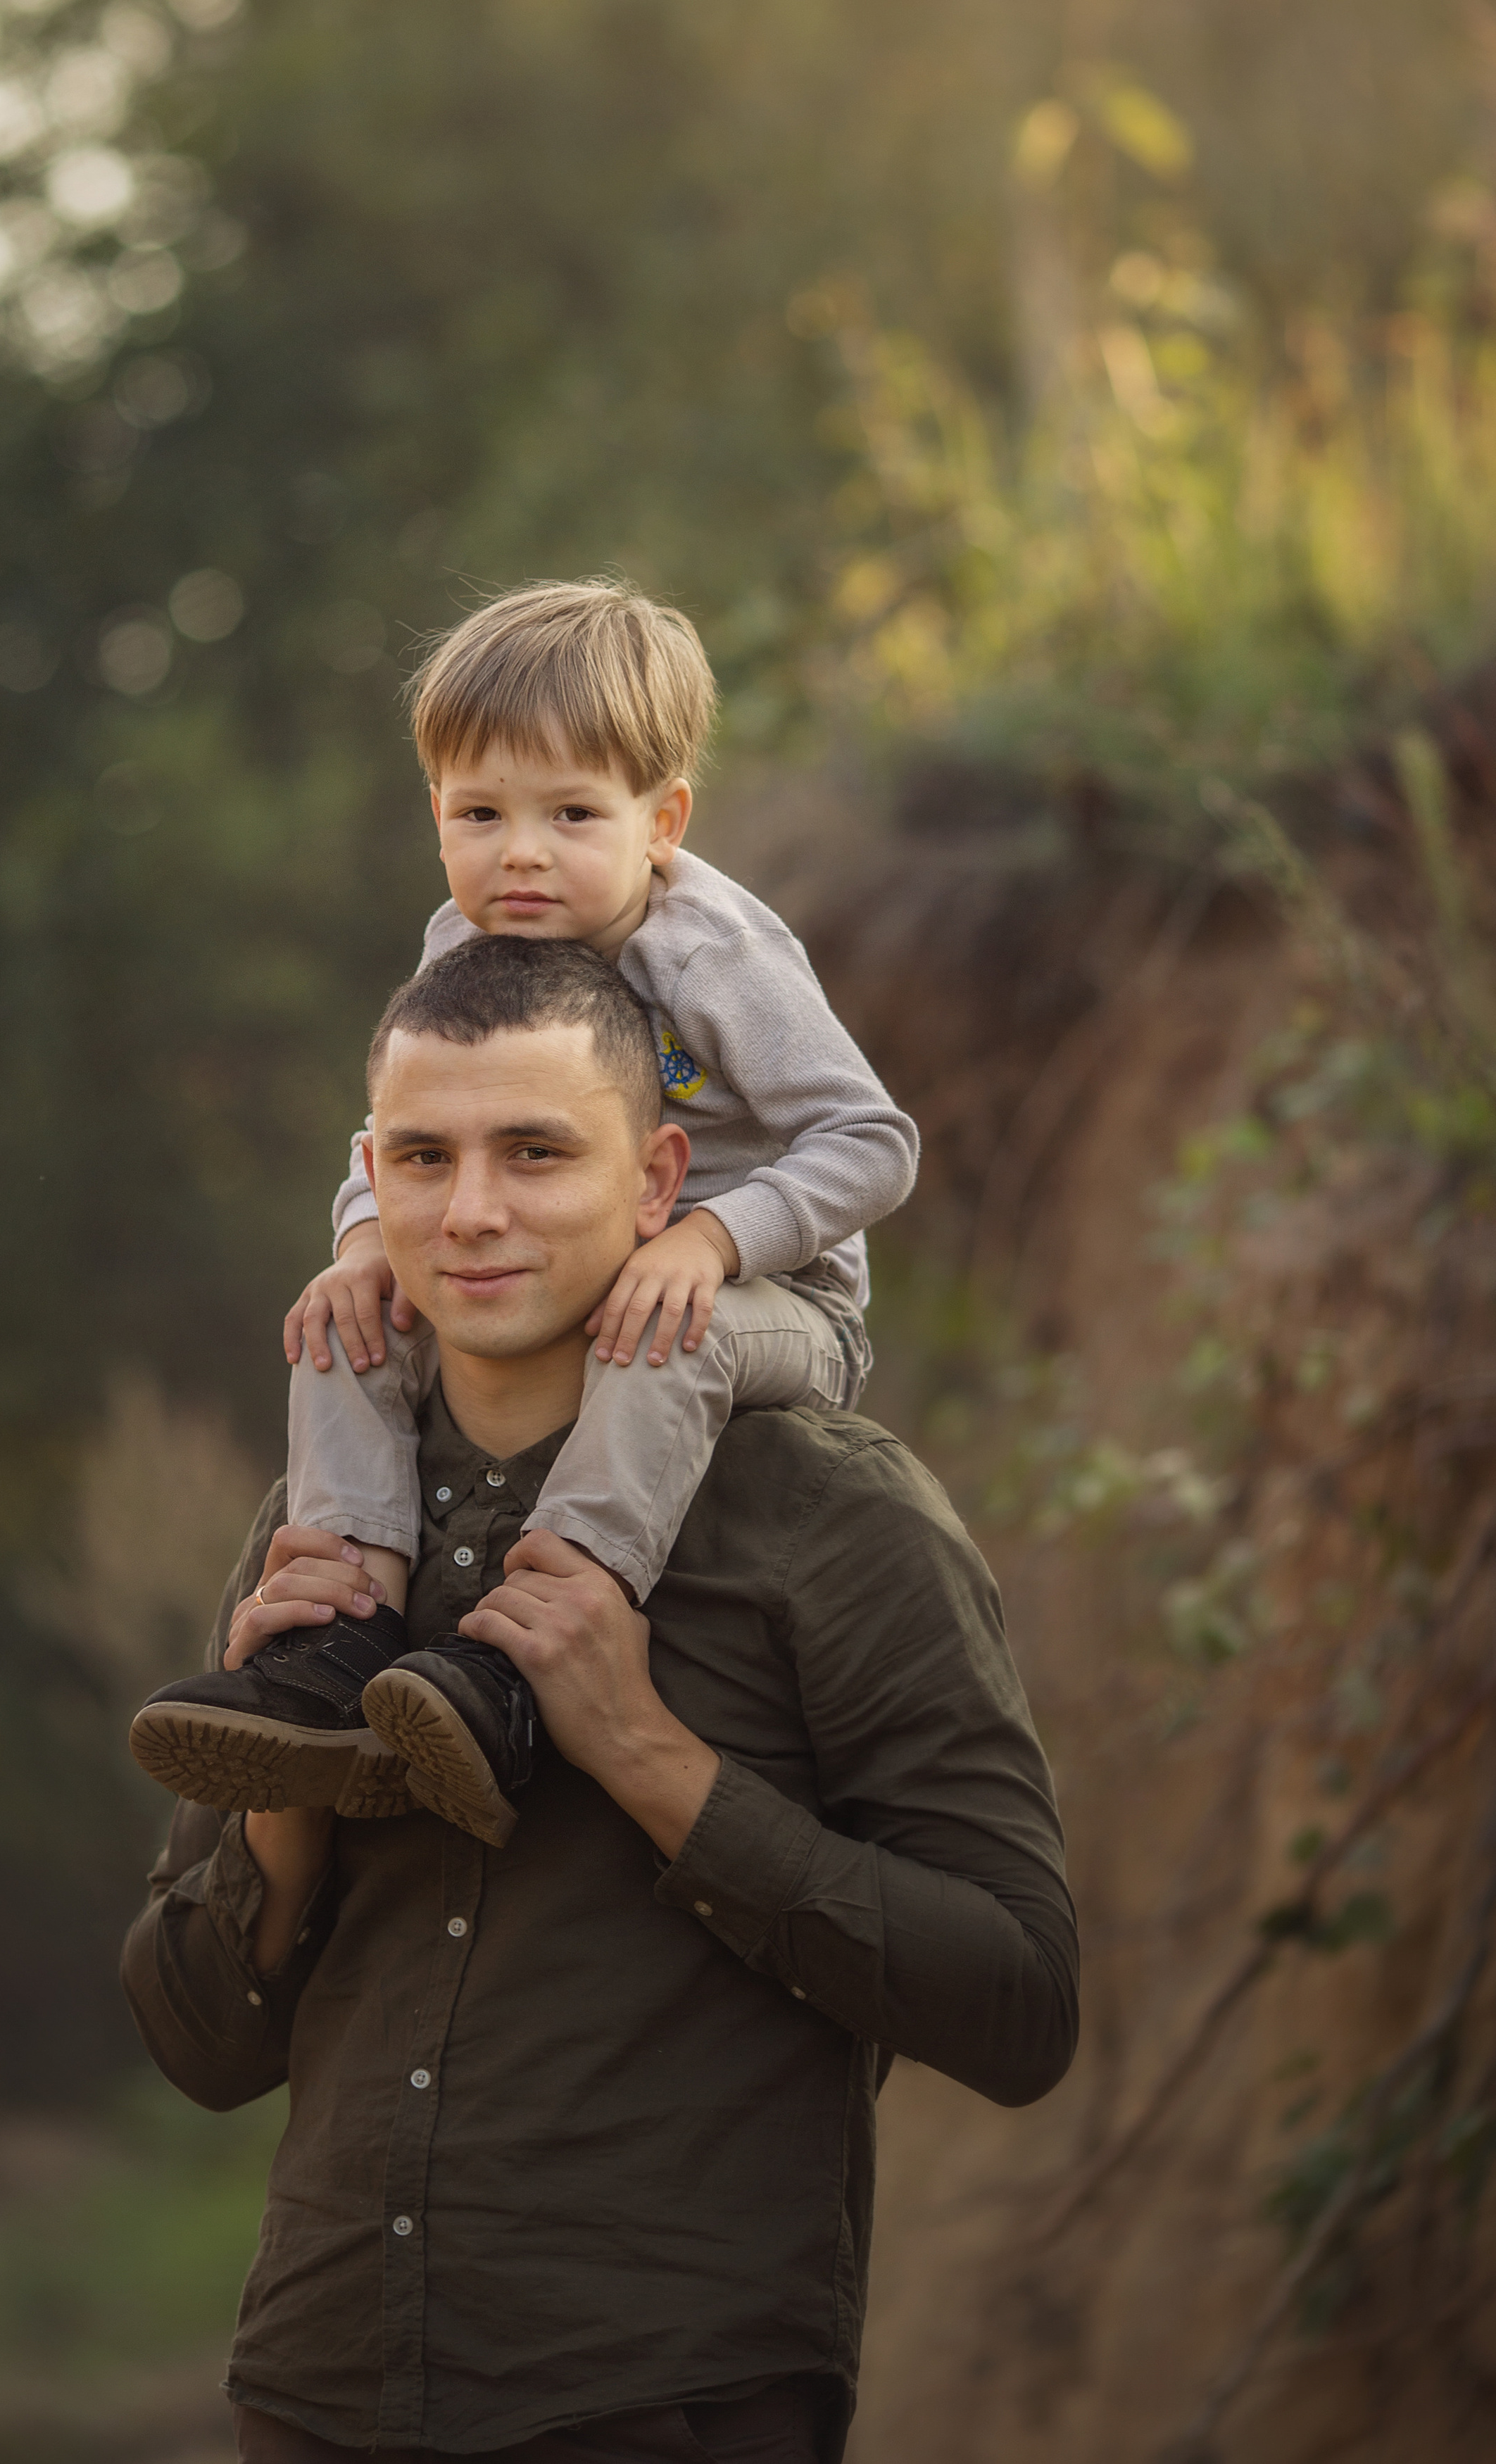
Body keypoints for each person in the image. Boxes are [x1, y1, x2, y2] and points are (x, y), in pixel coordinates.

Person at [120, 936, 1077, 2464]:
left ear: (659, 1182)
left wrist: (646, 1757)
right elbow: (197, 2044)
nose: (473, 1210)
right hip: (313, 2389)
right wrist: (284, 1800)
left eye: (535, 1152)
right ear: (370, 1179)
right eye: (424, 1157)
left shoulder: (833, 1513)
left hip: (664, 2395)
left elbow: (1020, 2000)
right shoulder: (322, 1523)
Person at [130, 580, 919, 1845]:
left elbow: (873, 1142)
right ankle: (342, 1628)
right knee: (345, 1320)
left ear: (660, 821)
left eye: (571, 814)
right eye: (481, 814)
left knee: (673, 1338)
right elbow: (392, 1132)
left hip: (773, 1297)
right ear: (433, 814)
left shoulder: (711, 954)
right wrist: (358, 1244)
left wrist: (714, 1241)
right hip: (585, 1264)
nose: (523, 854)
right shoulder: (466, 944)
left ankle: (531, 1650)